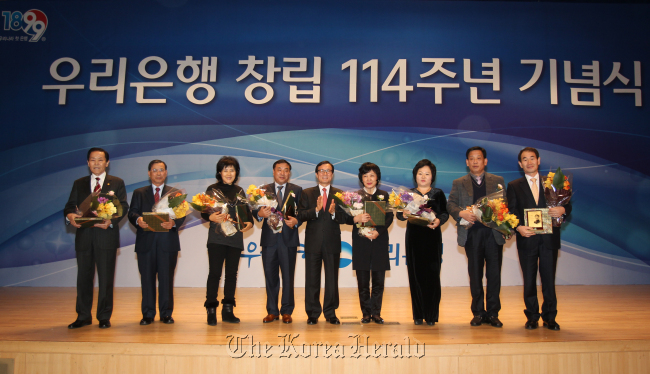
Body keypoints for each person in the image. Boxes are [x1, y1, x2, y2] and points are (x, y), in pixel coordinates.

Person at [507, 147, 572, 331]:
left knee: (549, 280)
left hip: (549, 239)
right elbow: (510, 212)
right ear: (520, 164)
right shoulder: (514, 185)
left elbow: (567, 205)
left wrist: (563, 210)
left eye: (532, 158)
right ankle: (532, 316)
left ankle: (550, 317)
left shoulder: (552, 183)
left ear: (539, 160)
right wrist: (518, 227)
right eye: (525, 159)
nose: (529, 162)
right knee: (529, 280)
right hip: (527, 239)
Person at [63, 147, 128, 329]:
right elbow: (69, 206)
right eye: (93, 160)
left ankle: (104, 316)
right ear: (87, 163)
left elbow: (123, 207)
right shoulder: (79, 183)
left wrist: (111, 221)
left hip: (106, 236)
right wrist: (70, 217)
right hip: (84, 237)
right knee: (83, 278)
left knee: (106, 278)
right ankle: (83, 316)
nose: (96, 163)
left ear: (107, 163)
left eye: (100, 160)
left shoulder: (117, 182)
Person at [447, 146, 506, 328]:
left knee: (494, 275)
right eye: (471, 158)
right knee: (475, 274)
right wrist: (461, 213)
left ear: (485, 161)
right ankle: (478, 313)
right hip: (472, 234)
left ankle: (493, 313)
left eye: (478, 158)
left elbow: (505, 204)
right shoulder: (459, 182)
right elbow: (451, 204)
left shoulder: (497, 180)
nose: (475, 161)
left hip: (493, 233)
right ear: (467, 162)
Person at [128, 160, 185, 325]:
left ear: (166, 173)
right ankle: (148, 314)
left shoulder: (174, 193)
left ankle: (166, 313)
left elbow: (181, 214)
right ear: (149, 173)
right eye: (155, 170)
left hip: (168, 243)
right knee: (146, 279)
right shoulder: (139, 192)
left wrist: (173, 223)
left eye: (161, 170)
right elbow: (132, 212)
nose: (158, 173)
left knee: (166, 279)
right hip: (146, 243)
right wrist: (138, 220)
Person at [202, 156, 253, 325]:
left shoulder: (239, 191)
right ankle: (211, 310)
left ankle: (228, 310)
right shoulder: (212, 189)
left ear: (236, 172)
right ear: (219, 172)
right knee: (214, 274)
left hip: (235, 238)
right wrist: (211, 216)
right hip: (217, 238)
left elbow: (247, 213)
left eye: (232, 170)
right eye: (226, 170)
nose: (229, 173)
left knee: (232, 275)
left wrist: (249, 223)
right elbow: (204, 211)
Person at [396, 159, 449, 326]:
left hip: (432, 237)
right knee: (416, 276)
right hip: (414, 238)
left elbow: (445, 213)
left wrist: (439, 221)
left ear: (432, 176)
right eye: (420, 173)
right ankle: (418, 315)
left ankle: (431, 315)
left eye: (427, 173)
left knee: (433, 276)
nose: (423, 176)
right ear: (415, 176)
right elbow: (399, 215)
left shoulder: (438, 193)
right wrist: (403, 213)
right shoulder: (408, 194)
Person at [296, 161, 347, 325]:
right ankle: (312, 313)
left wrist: (334, 214)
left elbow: (346, 217)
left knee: (332, 279)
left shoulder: (339, 194)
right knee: (312, 279)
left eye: (328, 171)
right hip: (313, 241)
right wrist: (316, 211)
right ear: (317, 174)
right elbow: (301, 215)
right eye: (322, 171)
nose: (325, 174)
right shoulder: (307, 193)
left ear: (332, 174)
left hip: (332, 241)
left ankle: (331, 313)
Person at [253, 159, 303, 324]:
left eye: (286, 170)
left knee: (288, 277)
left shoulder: (297, 190)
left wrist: (297, 220)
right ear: (273, 172)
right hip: (269, 240)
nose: (282, 173)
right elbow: (255, 211)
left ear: (290, 173)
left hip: (288, 239)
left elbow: (301, 213)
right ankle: (272, 311)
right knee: (270, 277)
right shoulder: (262, 190)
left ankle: (287, 311)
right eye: (279, 169)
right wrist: (260, 213)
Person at [345, 162, 393, 324]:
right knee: (363, 281)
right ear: (361, 179)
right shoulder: (354, 197)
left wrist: (378, 231)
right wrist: (356, 219)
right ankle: (366, 313)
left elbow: (389, 217)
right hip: (361, 242)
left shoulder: (385, 195)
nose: (369, 179)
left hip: (379, 240)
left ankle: (376, 313)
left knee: (379, 281)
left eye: (372, 175)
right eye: (365, 176)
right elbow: (346, 217)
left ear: (377, 177)